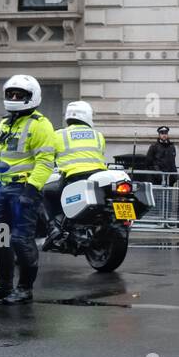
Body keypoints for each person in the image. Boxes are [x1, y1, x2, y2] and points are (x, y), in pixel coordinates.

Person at [0, 74, 56, 305]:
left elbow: (45, 162)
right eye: (10, 94)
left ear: (31, 97)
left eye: (19, 95)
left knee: (21, 240)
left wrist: (31, 190)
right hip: (3, 190)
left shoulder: (40, 125)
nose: (13, 98)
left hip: (23, 191)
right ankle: (4, 286)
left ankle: (25, 289)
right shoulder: (4, 123)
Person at [44, 101, 108, 247]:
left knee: (44, 192)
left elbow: (47, 157)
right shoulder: (98, 136)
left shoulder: (58, 135)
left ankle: (52, 228)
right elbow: (101, 153)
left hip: (73, 177)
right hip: (98, 178)